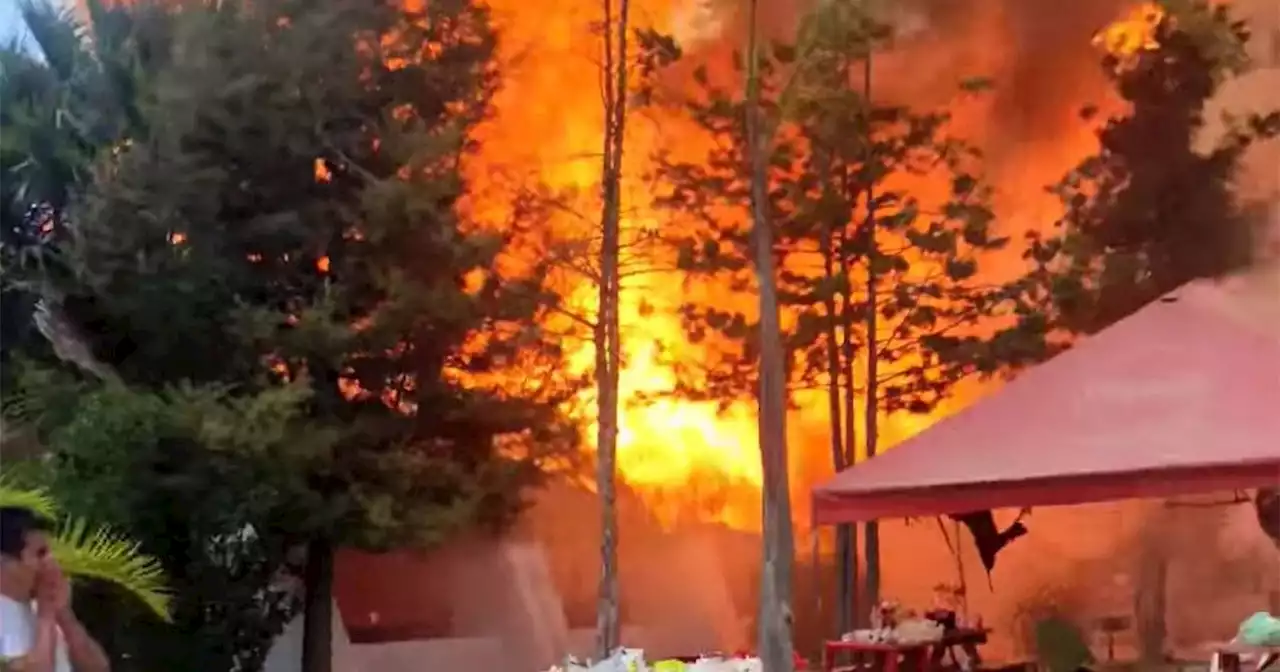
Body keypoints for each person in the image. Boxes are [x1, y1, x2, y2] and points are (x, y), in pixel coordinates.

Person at [0, 506, 110, 672]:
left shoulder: (40, 606)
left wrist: (64, 615)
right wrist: (46, 616)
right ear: (6, 563)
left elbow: (98, 668)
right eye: (40, 553)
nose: (51, 562)